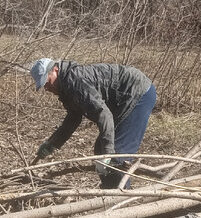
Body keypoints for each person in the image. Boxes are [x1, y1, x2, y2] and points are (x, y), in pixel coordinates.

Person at [29, 57, 157, 189]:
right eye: (43, 85)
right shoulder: (66, 88)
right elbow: (73, 119)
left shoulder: (75, 82)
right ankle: (109, 193)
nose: (46, 87)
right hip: (124, 99)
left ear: (55, 70)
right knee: (100, 149)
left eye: (47, 82)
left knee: (117, 154)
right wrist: (52, 143)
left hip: (138, 92)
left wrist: (108, 153)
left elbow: (104, 114)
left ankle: (122, 199)